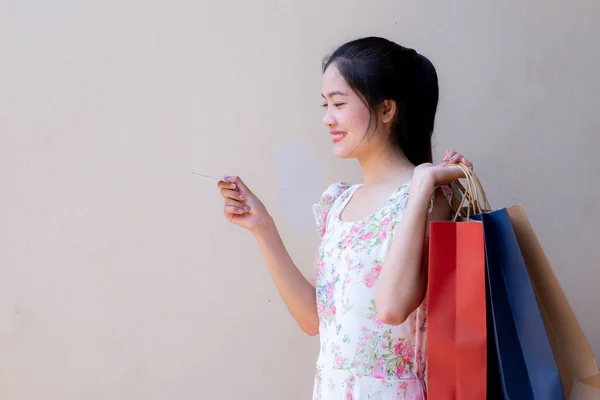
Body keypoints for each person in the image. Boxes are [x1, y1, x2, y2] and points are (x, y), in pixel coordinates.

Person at [216, 36, 473, 399]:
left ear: (386, 110)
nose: (327, 119)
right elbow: (312, 320)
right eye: (325, 104)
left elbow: (392, 307)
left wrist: (422, 184)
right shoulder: (338, 203)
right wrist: (263, 227)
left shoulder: (430, 200)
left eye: (338, 103)